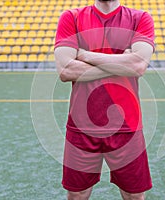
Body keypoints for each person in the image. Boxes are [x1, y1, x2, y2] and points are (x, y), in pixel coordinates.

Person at [54, 0, 155, 199]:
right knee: (77, 195)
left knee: (134, 196)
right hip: (81, 126)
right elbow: (66, 70)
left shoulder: (140, 18)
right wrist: (121, 63)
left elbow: (138, 67)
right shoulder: (71, 17)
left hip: (127, 126)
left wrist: (84, 55)